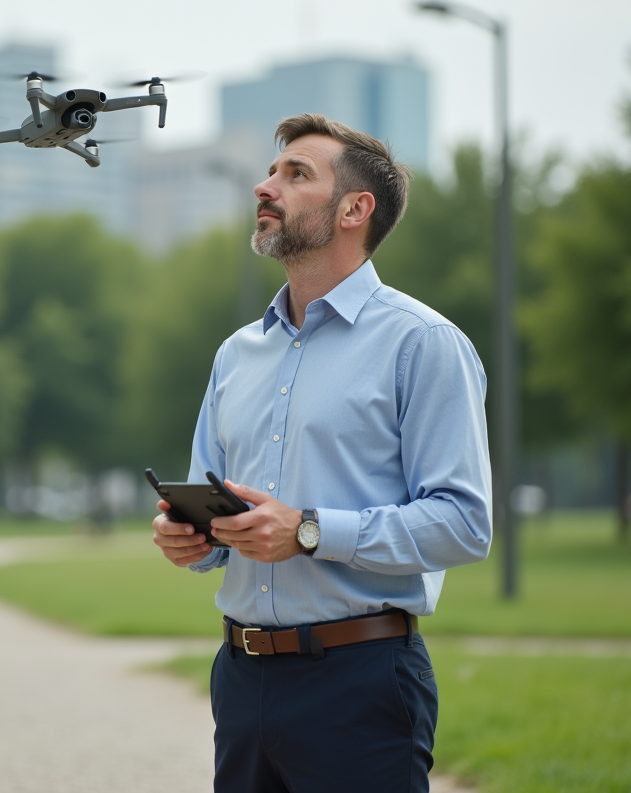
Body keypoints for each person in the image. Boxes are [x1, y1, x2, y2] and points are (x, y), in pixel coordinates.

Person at [151, 114, 492, 793]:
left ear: (354, 210)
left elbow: (464, 523)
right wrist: (195, 538)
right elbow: (220, 510)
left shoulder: (423, 344)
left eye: (295, 173)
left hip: (359, 681)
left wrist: (307, 529)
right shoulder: (235, 355)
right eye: (272, 171)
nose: (264, 186)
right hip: (241, 679)